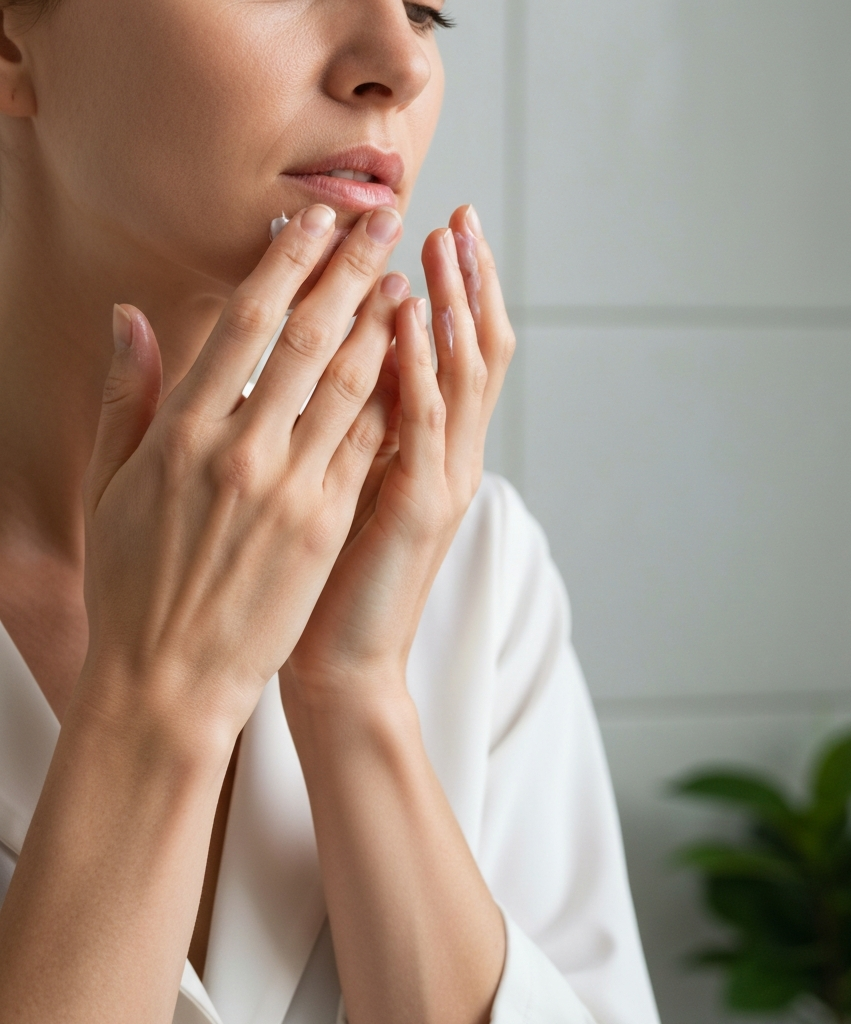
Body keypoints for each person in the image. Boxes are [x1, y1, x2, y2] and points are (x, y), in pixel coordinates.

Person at [0, 2, 660, 1022]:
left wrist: (355, 694)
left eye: (429, 8)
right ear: (10, 40)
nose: (397, 62)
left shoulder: (472, 562)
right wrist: (156, 700)